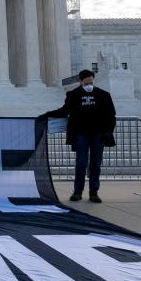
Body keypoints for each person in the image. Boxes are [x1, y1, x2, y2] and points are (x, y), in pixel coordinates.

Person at [42, 69, 116, 203]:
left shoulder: (103, 95)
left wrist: (108, 131)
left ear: (94, 80)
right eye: (86, 82)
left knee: (95, 164)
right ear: (80, 81)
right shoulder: (73, 95)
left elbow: (111, 115)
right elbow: (64, 111)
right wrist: (47, 114)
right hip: (80, 134)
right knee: (81, 163)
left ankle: (94, 192)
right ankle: (78, 191)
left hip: (98, 134)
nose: (89, 85)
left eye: (91, 82)